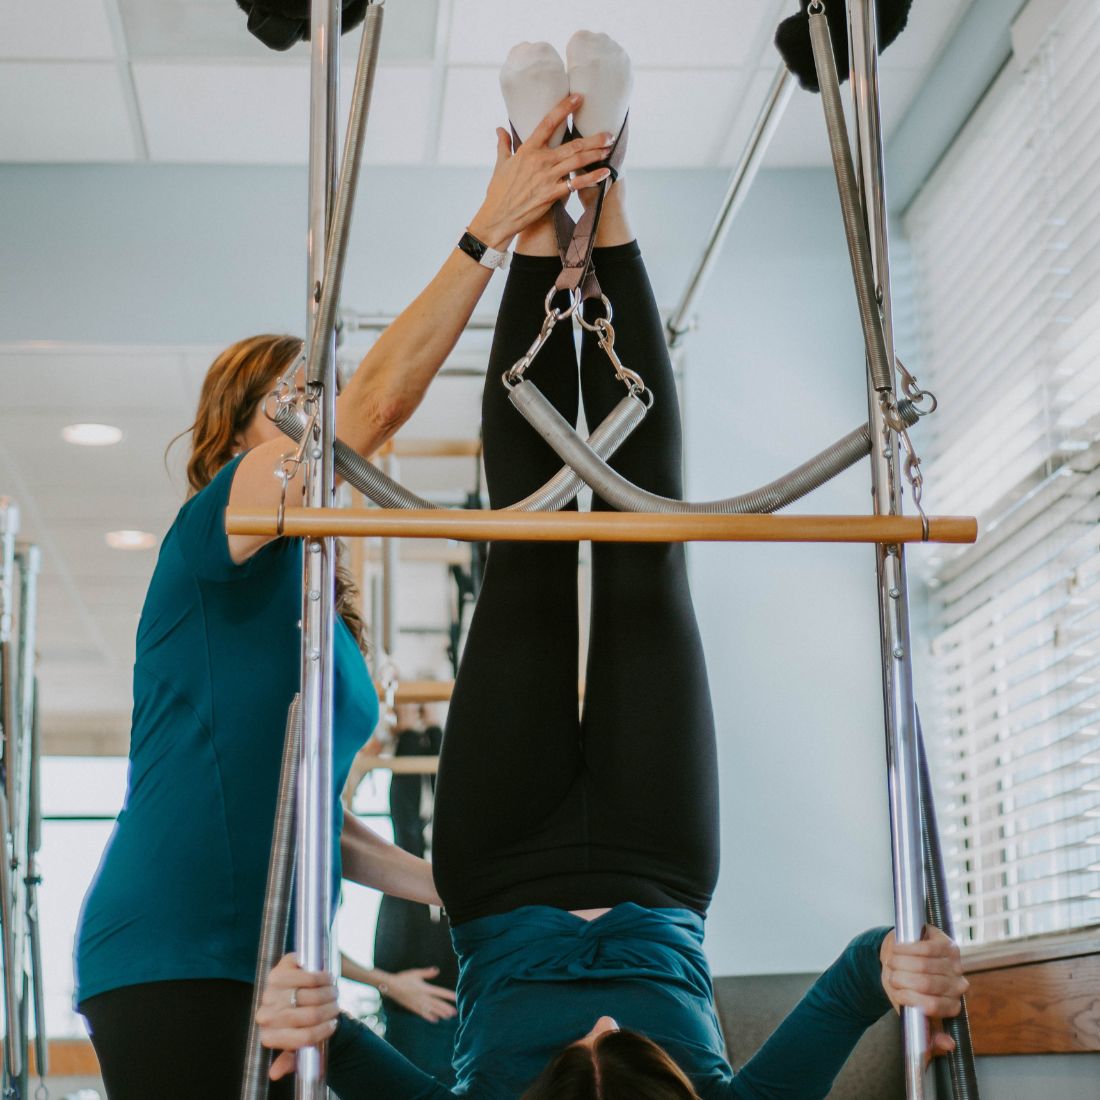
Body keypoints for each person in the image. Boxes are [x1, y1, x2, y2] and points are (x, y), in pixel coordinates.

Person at [255, 33, 969, 1100]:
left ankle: (549, 207)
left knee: (525, 556)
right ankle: (603, 169)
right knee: (645, 561)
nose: (594, 1020)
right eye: (617, 1044)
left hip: (496, 875)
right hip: (657, 862)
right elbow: (855, 978)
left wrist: (292, 1007)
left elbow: (323, 1043)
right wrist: (901, 962)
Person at [72, 85, 615, 1100]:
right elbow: (374, 403)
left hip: (280, 962)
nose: (321, 414)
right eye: (295, 401)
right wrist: (488, 229)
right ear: (239, 434)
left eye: (319, 398)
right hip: (175, 944)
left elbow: (322, 818)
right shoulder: (215, 536)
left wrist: (477, 894)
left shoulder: (323, 610)